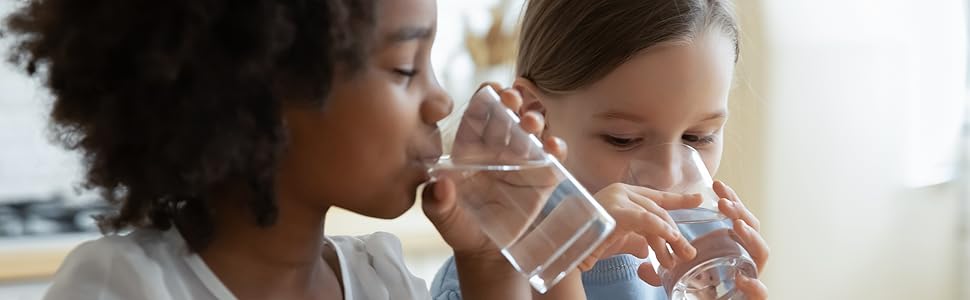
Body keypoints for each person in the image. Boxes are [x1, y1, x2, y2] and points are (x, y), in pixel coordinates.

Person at [3, 0, 574, 299]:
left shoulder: (383, 282)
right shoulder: (124, 290)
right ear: (260, 88)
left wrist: (490, 258)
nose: (442, 102)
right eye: (405, 68)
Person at [431, 0, 770, 299]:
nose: (669, 175)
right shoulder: (483, 275)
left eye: (698, 137)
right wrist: (562, 261)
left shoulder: (691, 272)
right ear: (535, 114)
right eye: (623, 139)